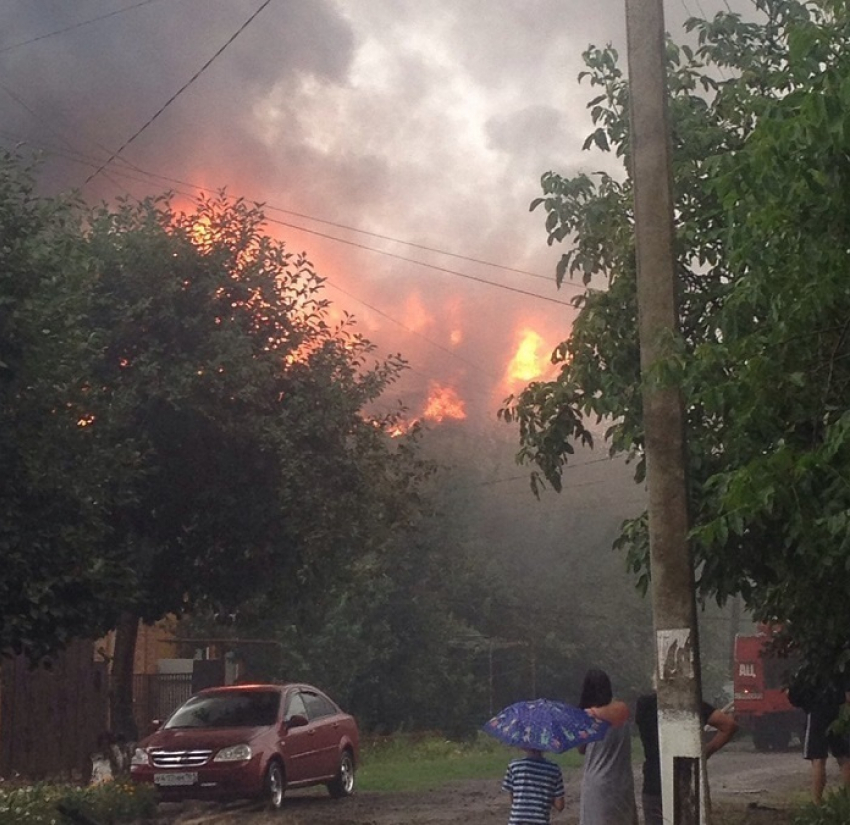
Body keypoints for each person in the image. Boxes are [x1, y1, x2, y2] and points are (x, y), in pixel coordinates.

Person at [635, 689, 738, 825]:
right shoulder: (690, 704)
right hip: (686, 781)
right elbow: (729, 725)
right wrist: (706, 751)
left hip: (654, 782)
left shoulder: (645, 704)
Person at [577, 668, 638, 825]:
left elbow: (581, 749)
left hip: (597, 783)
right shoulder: (623, 710)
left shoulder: (587, 716)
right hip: (622, 782)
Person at [789, 669, 850, 804]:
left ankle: (817, 803)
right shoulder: (839, 666)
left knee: (818, 759)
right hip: (837, 713)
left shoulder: (807, 669)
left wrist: (807, 704)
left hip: (816, 714)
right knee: (845, 758)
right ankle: (847, 801)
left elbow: (793, 696)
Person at [502, 746, 565, 825]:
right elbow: (560, 805)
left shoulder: (514, 766)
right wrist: (546, 794)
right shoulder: (554, 769)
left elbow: (514, 799)